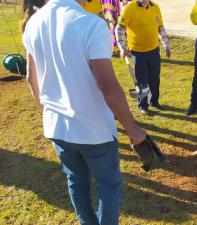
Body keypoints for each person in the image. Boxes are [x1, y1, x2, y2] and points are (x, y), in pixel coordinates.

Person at [22, 0, 150, 223]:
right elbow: (108, 87)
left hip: (57, 127)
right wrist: (133, 129)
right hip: (94, 131)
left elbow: (31, 78)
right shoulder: (91, 24)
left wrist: (49, 110)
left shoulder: (33, 22)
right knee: (108, 185)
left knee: (76, 181)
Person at [115, 0, 171, 115]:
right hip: (137, 52)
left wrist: (166, 45)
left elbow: (160, 28)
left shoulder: (155, 7)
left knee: (155, 78)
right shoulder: (129, 7)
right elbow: (119, 29)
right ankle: (143, 105)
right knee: (142, 80)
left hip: (154, 50)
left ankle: (154, 101)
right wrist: (122, 47)